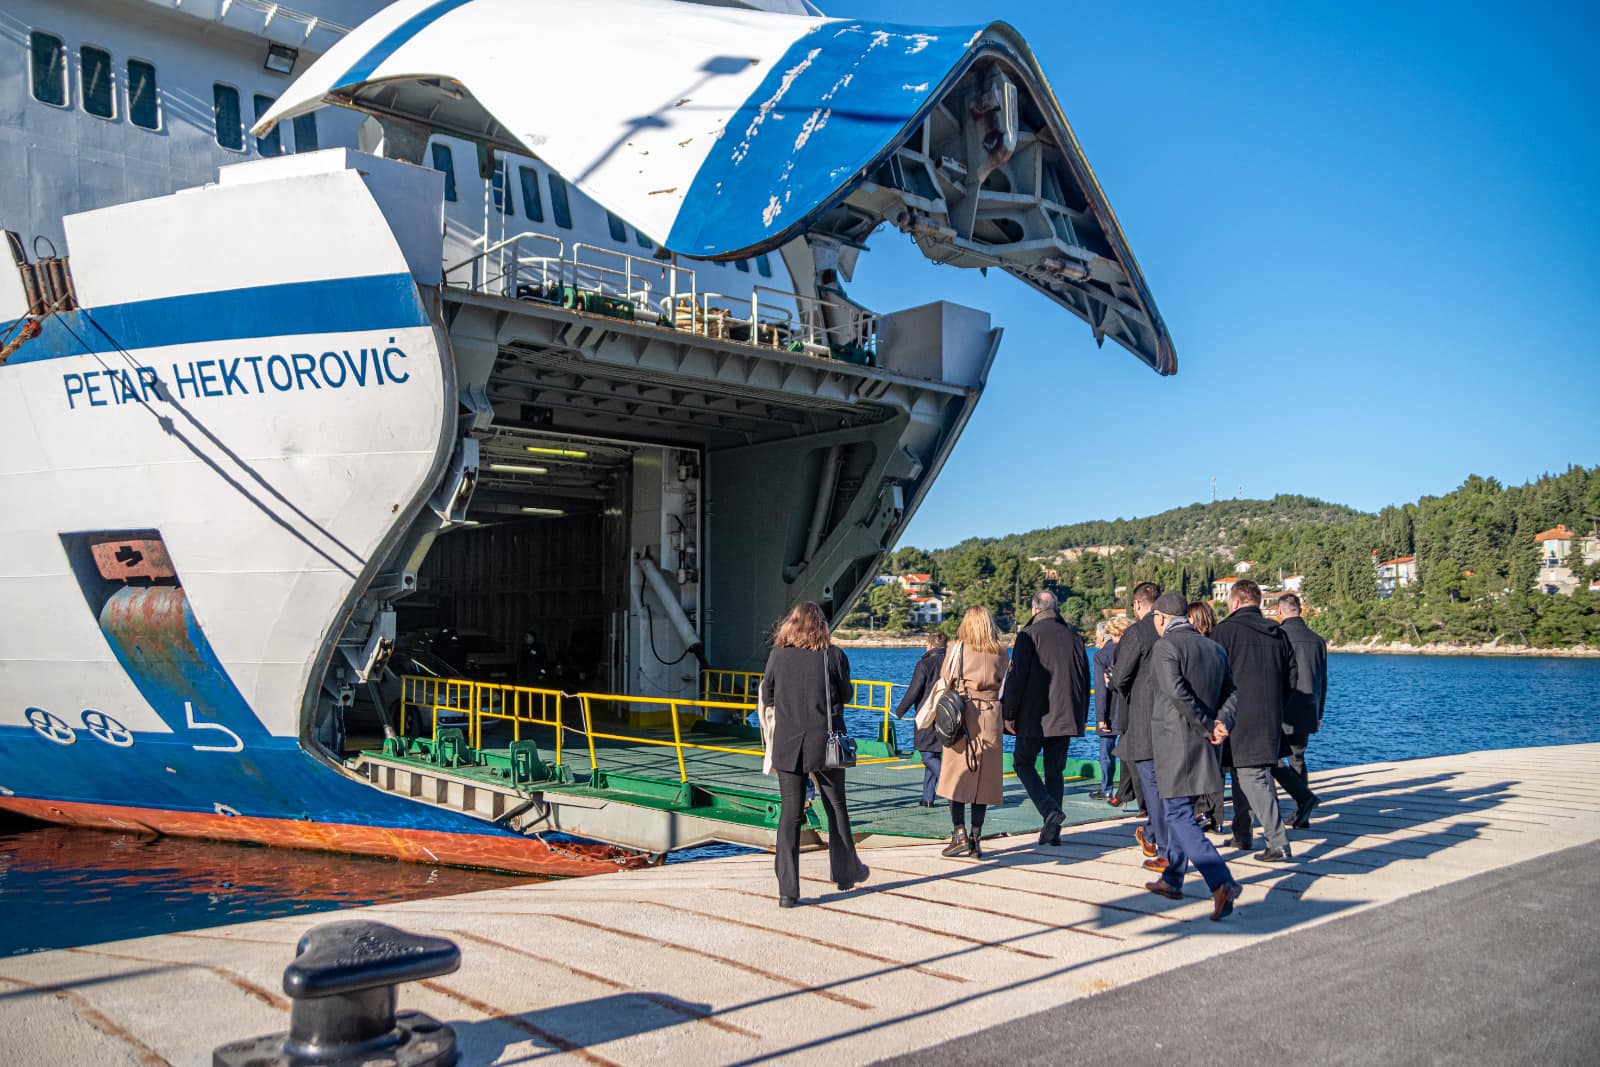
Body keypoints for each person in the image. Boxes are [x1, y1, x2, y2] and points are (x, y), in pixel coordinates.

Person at [759, 602, 869, 907]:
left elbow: (767, 695)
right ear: (822, 626)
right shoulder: (833, 656)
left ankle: (787, 890)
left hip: (789, 743)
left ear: (791, 624)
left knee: (790, 814)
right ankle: (847, 873)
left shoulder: (778, 655)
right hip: (826, 742)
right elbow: (846, 695)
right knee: (836, 806)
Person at [1143, 591, 1244, 921]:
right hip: (1205, 743)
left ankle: (1220, 879)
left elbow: (1176, 693)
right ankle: (1172, 878)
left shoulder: (1166, 647)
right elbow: (1231, 692)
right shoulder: (1213, 647)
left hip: (1176, 742)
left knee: (1177, 814)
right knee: (1183, 810)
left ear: (1161, 619)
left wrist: (1205, 724)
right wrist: (1220, 723)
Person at [1212, 579, 1297, 862]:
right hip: (1271, 715)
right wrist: (1278, 706)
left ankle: (1278, 842)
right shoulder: (1278, 634)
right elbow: (1291, 677)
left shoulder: (1223, 632)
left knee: (1252, 776)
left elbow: (1213, 676)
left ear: (1234, 602)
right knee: (1240, 773)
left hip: (1236, 714)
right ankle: (1242, 833)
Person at [1003, 590, 1091, 846]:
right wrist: (1081, 716)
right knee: (1055, 771)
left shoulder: (1028, 636)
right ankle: (1052, 830)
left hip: (1034, 717)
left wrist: (1009, 714)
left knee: (1022, 763)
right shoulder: (1075, 638)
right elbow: (1084, 680)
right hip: (1066, 716)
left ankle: (1048, 811)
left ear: (1034, 610)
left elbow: (1016, 678)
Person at [937, 606, 1009, 859]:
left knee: (956, 777)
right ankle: (976, 839)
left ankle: (959, 834)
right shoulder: (1000, 651)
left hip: (963, 714)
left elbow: (946, 677)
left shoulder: (958, 648)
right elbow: (1004, 683)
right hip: (991, 715)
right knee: (983, 782)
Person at [1112, 582, 1167, 869]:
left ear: (1136, 605)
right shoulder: (1172, 629)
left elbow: (1120, 676)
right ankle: (1157, 833)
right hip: (1174, 715)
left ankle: (1157, 836)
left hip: (1144, 716)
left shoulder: (1137, 633)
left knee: (1151, 781)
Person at [1277, 593, 1325, 827]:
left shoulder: (1279, 636)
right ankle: (1301, 811)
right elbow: (1323, 681)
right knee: (1298, 758)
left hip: (1283, 709)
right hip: (1308, 709)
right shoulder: (1317, 640)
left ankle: (1274, 810)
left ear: (1280, 612)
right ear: (1300, 610)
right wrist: (1319, 713)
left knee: (1271, 759)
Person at [892, 631, 949, 807]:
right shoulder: (952, 662)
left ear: (930, 645)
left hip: (927, 714)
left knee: (926, 755)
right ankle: (928, 798)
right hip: (949, 714)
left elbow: (914, 691)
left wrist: (900, 711)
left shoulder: (924, 663)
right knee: (934, 752)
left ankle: (950, 784)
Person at [1187, 601, 1227, 835]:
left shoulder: (1197, 647)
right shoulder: (1219, 645)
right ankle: (1217, 817)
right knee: (1215, 767)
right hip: (1218, 710)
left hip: (1200, 712)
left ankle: (1200, 812)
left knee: (1197, 765)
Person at [1101, 616, 1138, 807]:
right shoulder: (1133, 644)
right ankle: (1125, 792)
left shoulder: (1124, 647)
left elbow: (1121, 678)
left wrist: (1111, 681)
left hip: (1127, 707)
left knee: (1127, 753)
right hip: (1134, 708)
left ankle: (1124, 793)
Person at [1090, 621, 1119, 799]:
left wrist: (1100, 717)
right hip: (1127, 709)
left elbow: (1101, 690)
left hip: (1109, 711)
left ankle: (1107, 788)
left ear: (1102, 636)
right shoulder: (1125, 650)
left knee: (1106, 753)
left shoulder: (1101, 656)